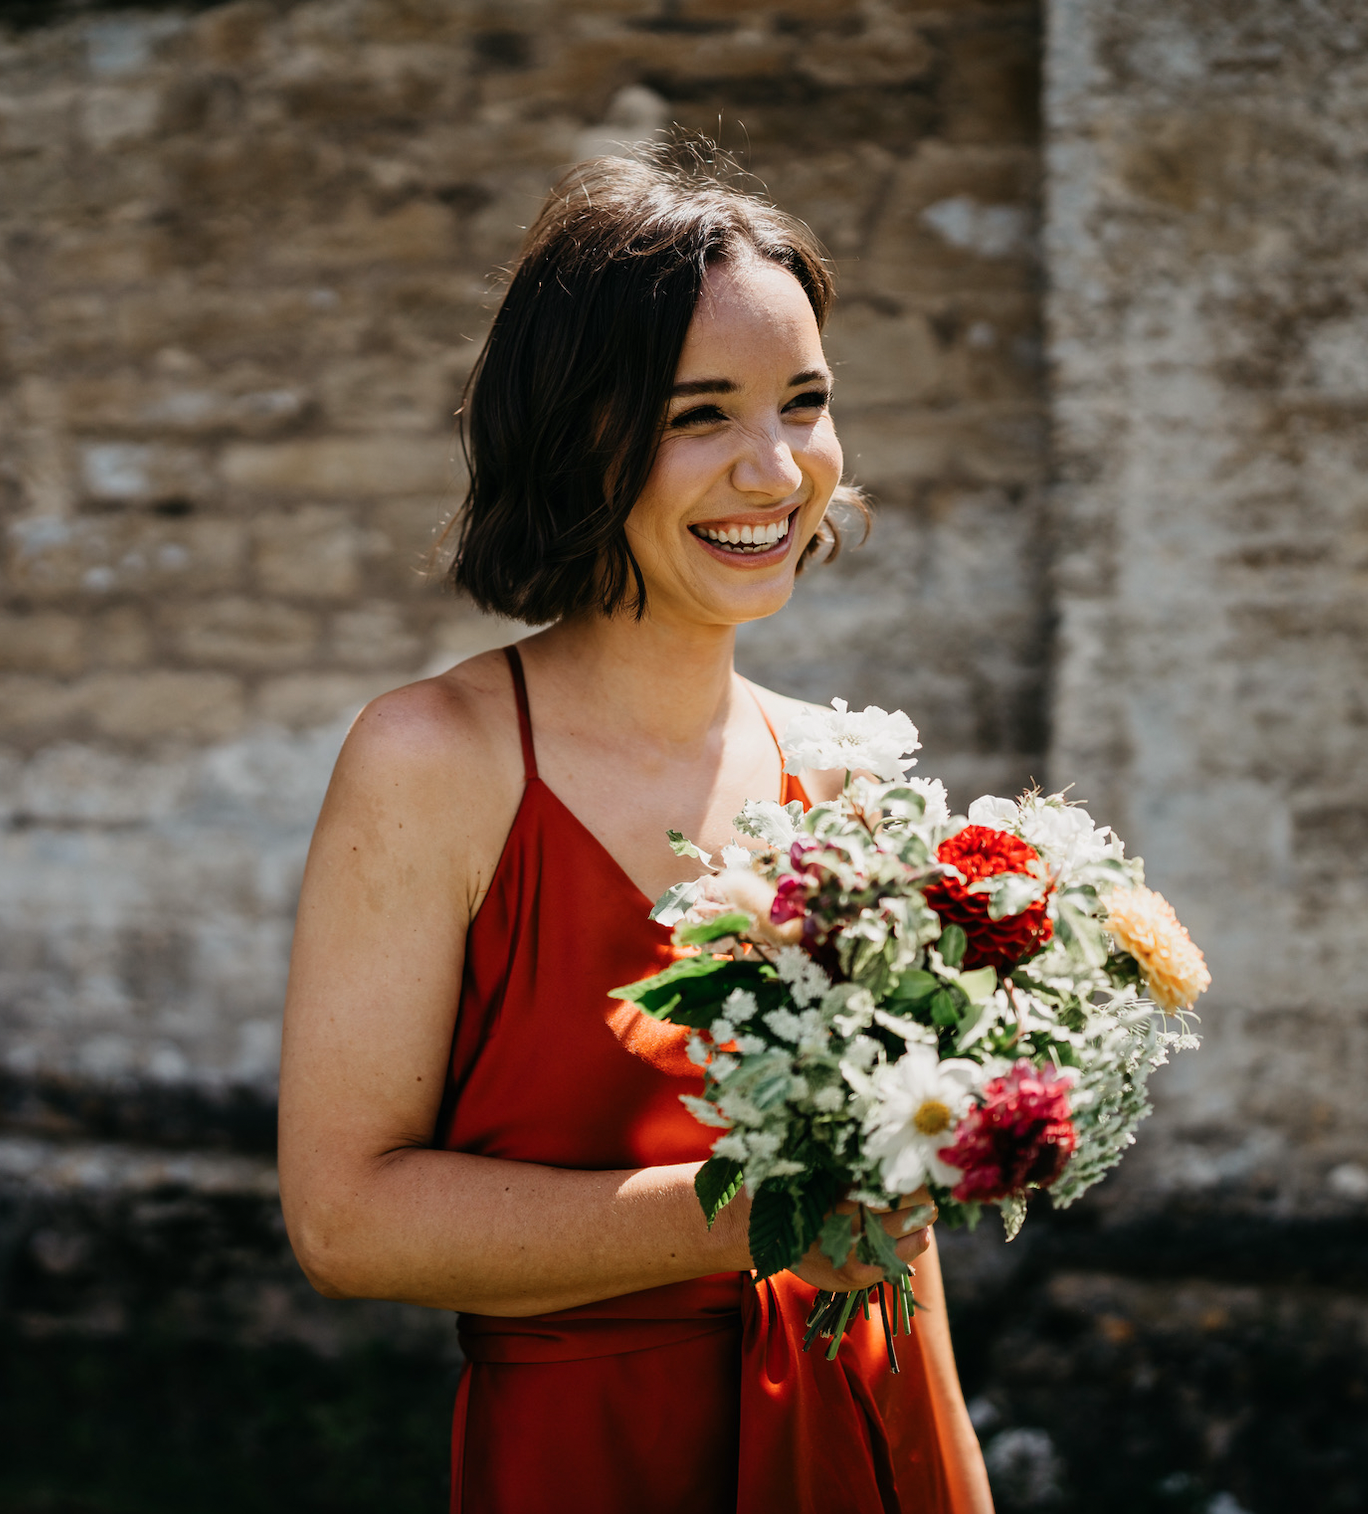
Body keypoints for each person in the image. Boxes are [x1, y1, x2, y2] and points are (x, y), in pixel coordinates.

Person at [278, 153, 993, 1514]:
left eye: (806, 402)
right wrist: (758, 1222)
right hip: (588, 1458)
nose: (776, 468)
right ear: (577, 433)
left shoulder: (839, 771)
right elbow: (342, 1219)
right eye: (698, 414)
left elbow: (894, 1227)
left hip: (865, 1425)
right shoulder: (434, 761)